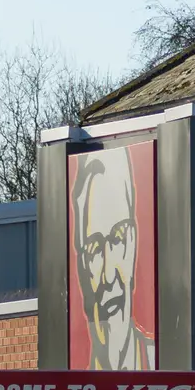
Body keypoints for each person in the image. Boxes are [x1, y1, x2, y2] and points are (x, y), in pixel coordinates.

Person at [73, 148, 151, 370]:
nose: (109, 276)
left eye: (118, 237)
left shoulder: (164, 370)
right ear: (83, 267)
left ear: (133, 242)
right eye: (95, 248)